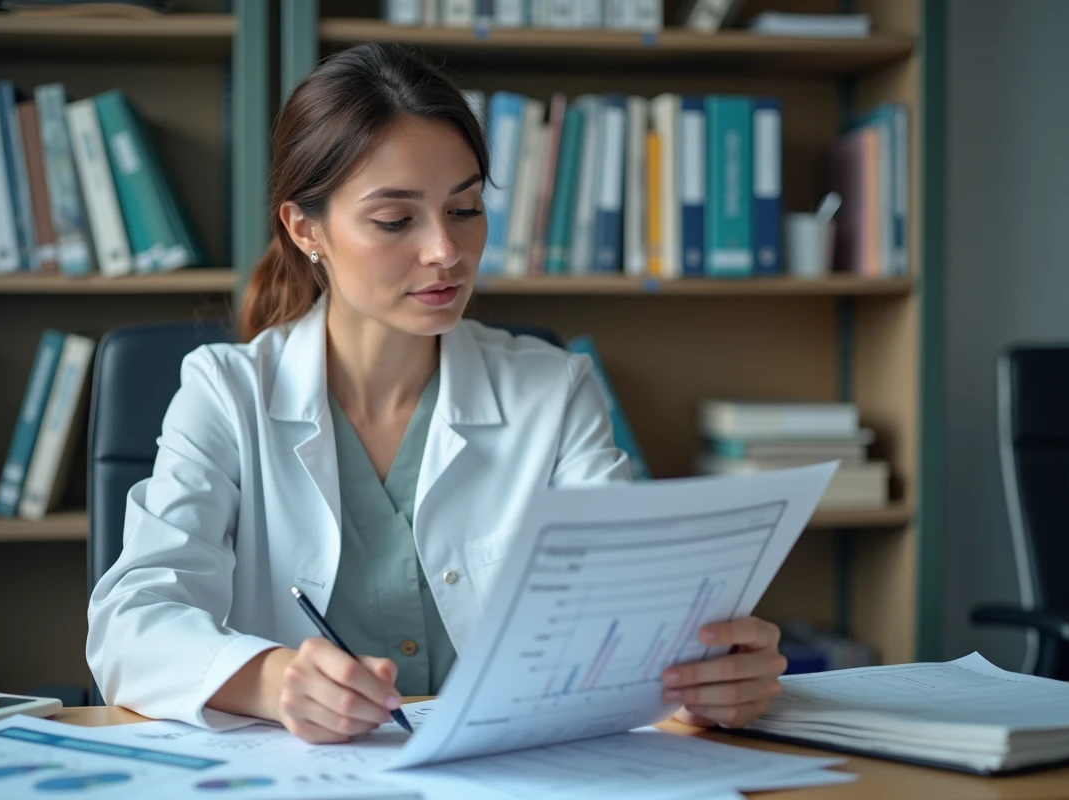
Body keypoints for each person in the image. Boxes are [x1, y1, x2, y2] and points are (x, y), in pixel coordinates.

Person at [86, 42, 787, 744]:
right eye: (396, 220)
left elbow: (630, 621)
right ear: (306, 230)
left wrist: (701, 679)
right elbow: (129, 626)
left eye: (465, 209)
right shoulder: (227, 393)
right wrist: (274, 681)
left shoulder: (553, 388)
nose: (445, 252)